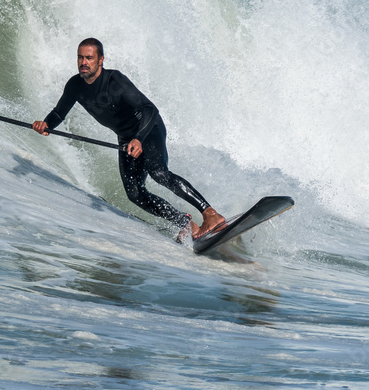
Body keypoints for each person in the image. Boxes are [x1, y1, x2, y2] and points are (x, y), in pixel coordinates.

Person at [32, 37, 225, 241]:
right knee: (134, 193)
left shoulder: (115, 82)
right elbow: (59, 113)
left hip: (148, 129)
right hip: (126, 138)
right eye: (80, 57)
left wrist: (139, 138)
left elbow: (149, 109)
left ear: (101, 60)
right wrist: (46, 124)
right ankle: (186, 224)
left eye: (89, 58)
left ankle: (210, 214)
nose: (83, 62)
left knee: (158, 172)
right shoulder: (74, 86)